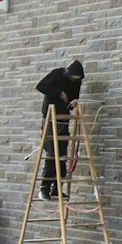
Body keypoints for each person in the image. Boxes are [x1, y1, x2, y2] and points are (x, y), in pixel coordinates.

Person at [35, 60, 85, 197]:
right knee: (52, 153)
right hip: (50, 117)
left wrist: (74, 101)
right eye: (72, 78)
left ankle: (57, 188)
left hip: (63, 117)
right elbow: (40, 86)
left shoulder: (77, 82)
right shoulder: (57, 74)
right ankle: (44, 188)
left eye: (77, 79)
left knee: (62, 154)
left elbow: (74, 96)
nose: (74, 81)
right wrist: (58, 93)